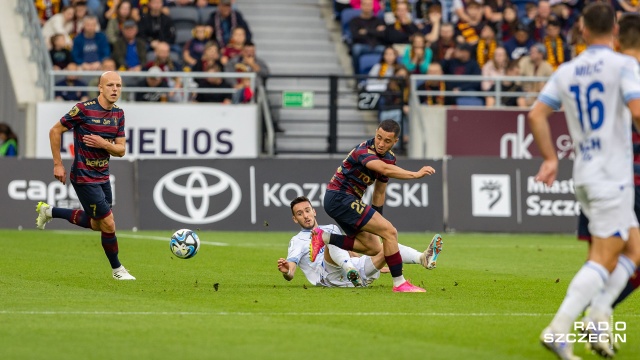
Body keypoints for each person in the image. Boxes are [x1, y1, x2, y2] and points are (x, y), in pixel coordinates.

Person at [528, 3, 640, 359]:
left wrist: (549, 158)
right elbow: (637, 111)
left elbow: (537, 114)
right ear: (616, 31)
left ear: (584, 30)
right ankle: (559, 328)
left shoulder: (567, 70)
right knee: (605, 258)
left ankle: (597, 315)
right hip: (613, 177)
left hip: (585, 174)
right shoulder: (624, 65)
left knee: (635, 249)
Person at [309, 120, 437, 293]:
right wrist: (415, 174)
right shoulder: (363, 151)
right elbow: (383, 169)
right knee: (390, 232)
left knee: (374, 247)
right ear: (375, 132)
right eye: (379, 137)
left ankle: (323, 237)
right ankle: (399, 283)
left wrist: (377, 222)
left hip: (346, 200)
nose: (381, 144)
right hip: (340, 197)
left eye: (387, 141)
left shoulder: (390, 158)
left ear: (395, 142)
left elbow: (379, 193)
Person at [576, 12, 640, 354]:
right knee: (625, 258)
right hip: (627, 177)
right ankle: (591, 318)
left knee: (603, 258)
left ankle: (598, 326)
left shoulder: (597, 69)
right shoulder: (628, 72)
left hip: (594, 173)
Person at [35, 70, 136, 281]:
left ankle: (50, 211)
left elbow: (121, 150)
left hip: (103, 176)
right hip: (83, 175)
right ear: (100, 88)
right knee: (108, 223)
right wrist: (58, 164)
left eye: (118, 85)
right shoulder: (83, 110)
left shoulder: (118, 113)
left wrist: (102, 143)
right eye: (110, 85)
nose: (115, 89)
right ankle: (117, 270)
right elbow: (55, 131)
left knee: (98, 223)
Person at [278, 196, 443, 288]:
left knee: (388, 244)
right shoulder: (297, 241)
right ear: (295, 219)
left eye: (307, 211)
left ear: (313, 211)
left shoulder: (329, 226)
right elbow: (291, 271)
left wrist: (374, 262)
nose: (305, 216)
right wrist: (287, 272)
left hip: (357, 275)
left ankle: (423, 258)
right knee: (327, 238)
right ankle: (349, 268)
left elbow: (348, 249)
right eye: (300, 214)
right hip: (328, 277)